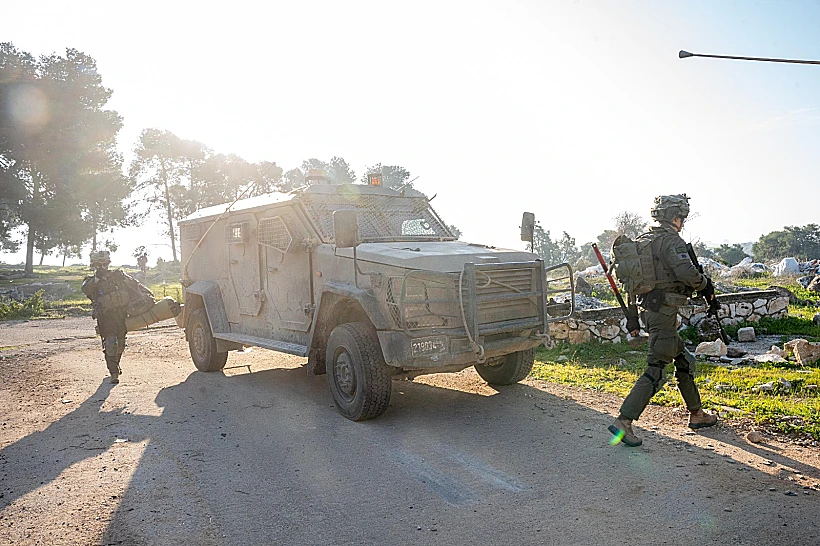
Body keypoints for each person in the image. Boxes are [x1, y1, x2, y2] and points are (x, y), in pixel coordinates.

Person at [608, 194, 718, 447]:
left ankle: (697, 414)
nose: (682, 222)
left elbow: (632, 286)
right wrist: (706, 285)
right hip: (665, 312)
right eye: (682, 217)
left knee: (684, 360)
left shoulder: (643, 241)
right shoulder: (671, 241)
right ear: (676, 218)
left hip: (650, 311)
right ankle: (623, 422)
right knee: (656, 368)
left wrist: (633, 320)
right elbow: (687, 273)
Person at [81, 251, 130, 384]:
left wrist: (123, 278)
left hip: (120, 314)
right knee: (110, 343)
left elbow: (132, 287)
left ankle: (115, 364)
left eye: (105, 264)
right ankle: (113, 372)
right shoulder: (91, 280)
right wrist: (97, 279)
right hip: (105, 316)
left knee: (121, 344)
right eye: (99, 264)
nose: (103, 267)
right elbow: (86, 290)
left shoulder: (115, 276)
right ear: (94, 265)